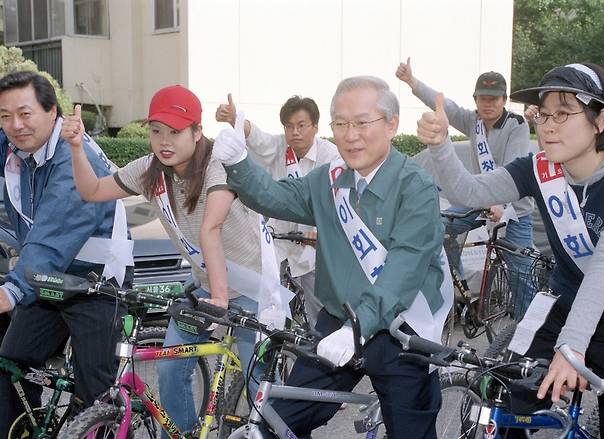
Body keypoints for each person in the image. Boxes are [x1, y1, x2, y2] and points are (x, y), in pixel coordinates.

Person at [417, 62, 604, 438]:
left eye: (563, 113)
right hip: (562, 305)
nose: (547, 124)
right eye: (543, 114)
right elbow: (469, 192)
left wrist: (573, 347)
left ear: (600, 120)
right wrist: (440, 147)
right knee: (505, 391)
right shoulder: (538, 167)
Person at [213, 75, 446, 439]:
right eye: (341, 123)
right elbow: (275, 197)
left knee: (410, 430)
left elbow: (403, 269)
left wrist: (358, 328)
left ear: (391, 124)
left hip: (403, 330)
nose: (350, 135)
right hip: (339, 321)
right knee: (278, 420)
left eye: (362, 122)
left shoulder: (415, 185)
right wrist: (240, 163)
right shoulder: (329, 180)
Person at [69, 85, 284, 434]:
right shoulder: (151, 170)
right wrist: (76, 147)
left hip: (250, 288)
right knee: (170, 368)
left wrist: (219, 298)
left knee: (256, 380)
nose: (163, 141)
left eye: (175, 131)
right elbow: (92, 191)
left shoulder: (220, 163)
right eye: (156, 131)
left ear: (197, 132)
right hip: (202, 286)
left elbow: (210, 228)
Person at [0, 71, 133, 436]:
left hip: (96, 282)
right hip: (47, 279)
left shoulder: (74, 156)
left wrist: (10, 292)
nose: (15, 125)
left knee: (97, 392)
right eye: (5, 115)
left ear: (52, 112)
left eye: (25, 114)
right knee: (11, 362)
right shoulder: (17, 148)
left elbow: (51, 236)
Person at [397, 58, 536, 316]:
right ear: (475, 100)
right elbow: (443, 105)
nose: (488, 104)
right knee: (436, 228)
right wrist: (411, 82)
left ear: (504, 100)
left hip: (514, 209)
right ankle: (461, 292)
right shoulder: (473, 122)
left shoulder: (517, 125)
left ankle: (528, 333)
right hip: (478, 198)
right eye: (482, 98)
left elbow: (514, 168)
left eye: (494, 99)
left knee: (521, 273)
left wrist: (501, 204)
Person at [216, 94, 340, 327]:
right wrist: (235, 119)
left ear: (315, 126)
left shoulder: (330, 156)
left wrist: (318, 232)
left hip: (312, 245)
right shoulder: (279, 147)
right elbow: (257, 138)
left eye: (301, 125)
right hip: (278, 240)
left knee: (319, 308)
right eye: (289, 126)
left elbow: (332, 202)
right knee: (265, 297)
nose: (295, 132)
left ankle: (319, 346)